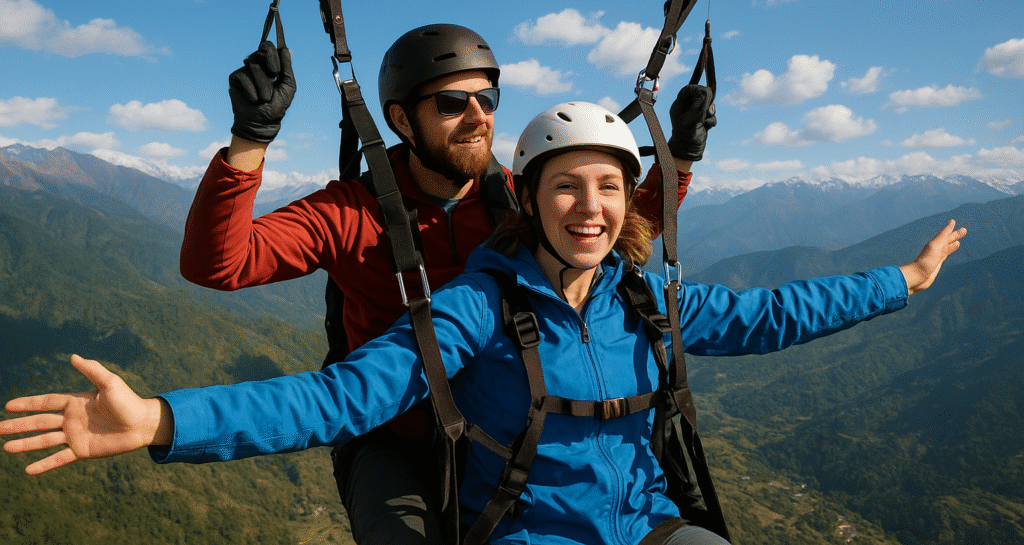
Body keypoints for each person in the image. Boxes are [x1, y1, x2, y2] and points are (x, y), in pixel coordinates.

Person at [2, 101, 966, 545]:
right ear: (530, 199)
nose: (588, 208)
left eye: (607, 189)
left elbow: (775, 313)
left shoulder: (645, 299)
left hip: (642, 524)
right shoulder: (474, 305)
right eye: (565, 188)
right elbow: (341, 395)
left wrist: (904, 281)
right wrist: (165, 420)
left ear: (628, 206)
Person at [179, 24, 710, 543]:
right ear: (402, 120)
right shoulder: (352, 212)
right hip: (393, 434)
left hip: (501, 429)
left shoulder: (516, 199)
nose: (479, 117)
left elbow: (605, 234)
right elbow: (219, 263)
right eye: (452, 103)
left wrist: (679, 154)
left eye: (488, 98)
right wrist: (250, 139)